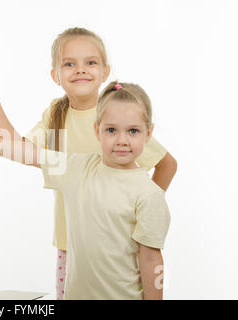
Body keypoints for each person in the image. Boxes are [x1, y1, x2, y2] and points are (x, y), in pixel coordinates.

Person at [0, 78, 171, 299]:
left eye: (133, 131)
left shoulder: (149, 194)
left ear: (148, 133)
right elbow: (27, 153)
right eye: (112, 130)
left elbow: (151, 260)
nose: (122, 140)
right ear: (97, 131)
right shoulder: (79, 168)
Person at [25, 27, 177, 299]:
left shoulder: (118, 117)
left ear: (105, 72)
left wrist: (137, 213)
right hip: (70, 241)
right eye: (69, 63)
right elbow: (26, 152)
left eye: (90, 62)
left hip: (117, 242)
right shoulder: (54, 115)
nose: (80, 70)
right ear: (55, 75)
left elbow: (167, 165)